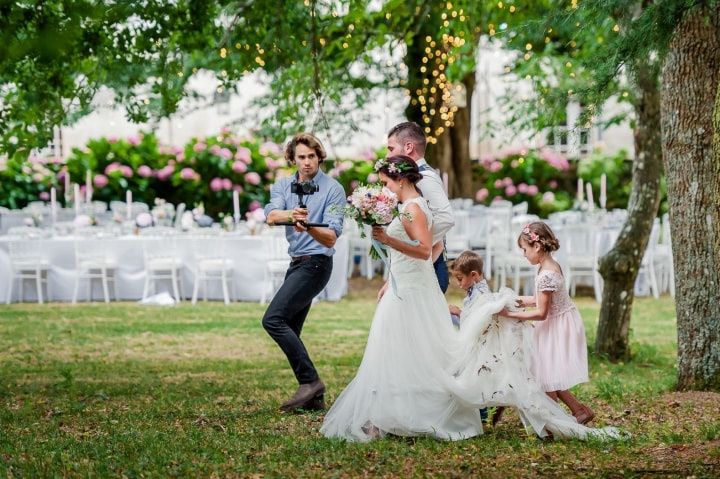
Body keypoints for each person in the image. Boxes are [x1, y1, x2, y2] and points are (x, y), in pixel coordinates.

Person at [321, 158, 619, 442]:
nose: (385, 188)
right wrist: (393, 275)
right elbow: (425, 249)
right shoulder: (408, 207)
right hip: (405, 285)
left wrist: (387, 239)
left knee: (411, 349)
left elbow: (426, 250)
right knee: (400, 349)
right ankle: (391, 414)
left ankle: (407, 415)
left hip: (411, 289)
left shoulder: (413, 208)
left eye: (387, 182)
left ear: (400, 179)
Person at [263, 132, 346, 412]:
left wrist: (309, 225)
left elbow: (332, 237)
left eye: (311, 156)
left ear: (319, 157)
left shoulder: (333, 189)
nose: (307, 162)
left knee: (273, 320)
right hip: (296, 262)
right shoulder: (283, 186)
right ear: (293, 159)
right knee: (291, 328)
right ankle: (314, 398)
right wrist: (291, 216)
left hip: (317, 264)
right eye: (301, 157)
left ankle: (310, 382)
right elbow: (272, 216)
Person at [500, 222, 595, 425]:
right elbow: (538, 299)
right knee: (547, 371)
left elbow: (541, 312)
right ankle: (578, 411)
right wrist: (515, 301)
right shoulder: (549, 265)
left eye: (524, 249)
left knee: (544, 374)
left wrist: (510, 314)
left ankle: (552, 421)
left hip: (556, 325)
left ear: (537, 246)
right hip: (558, 319)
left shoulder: (547, 274)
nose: (524, 254)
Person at [386, 122, 454, 293]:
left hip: (428, 265)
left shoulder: (425, 177)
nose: (388, 156)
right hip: (414, 264)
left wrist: (420, 244)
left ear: (409, 147)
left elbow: (445, 218)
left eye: (391, 148)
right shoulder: (411, 177)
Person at [448, 251, 491, 326]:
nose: (458, 283)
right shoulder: (474, 290)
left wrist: (459, 312)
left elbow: (479, 320)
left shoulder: (481, 294)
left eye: (460, 279)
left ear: (473, 275)